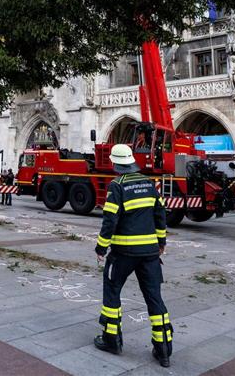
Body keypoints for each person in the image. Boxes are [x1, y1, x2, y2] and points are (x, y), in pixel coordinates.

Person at [94, 143, 172, 368]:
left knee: (112, 290)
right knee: (154, 297)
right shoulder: (149, 184)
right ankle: (164, 348)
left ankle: (111, 339)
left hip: (123, 252)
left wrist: (101, 247)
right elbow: (160, 214)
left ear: (115, 163)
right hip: (149, 252)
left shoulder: (116, 186)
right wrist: (161, 242)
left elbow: (110, 219)